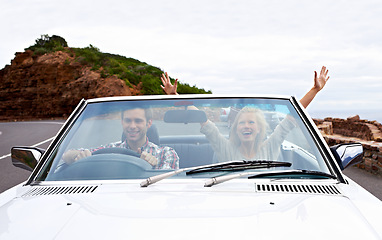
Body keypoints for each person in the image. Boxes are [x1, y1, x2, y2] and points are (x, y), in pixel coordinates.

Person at [160, 67, 330, 161]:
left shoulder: (271, 145)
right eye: (241, 123)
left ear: (259, 129)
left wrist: (315, 90)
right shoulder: (224, 147)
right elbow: (203, 120)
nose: (246, 126)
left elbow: (292, 117)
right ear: (235, 128)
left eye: (251, 122)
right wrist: (175, 97)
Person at [62, 107, 179, 169]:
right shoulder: (110, 150)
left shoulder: (166, 153)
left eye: (138, 121)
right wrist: (79, 156)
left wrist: (151, 167)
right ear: (122, 122)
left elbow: (167, 187)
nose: (132, 126)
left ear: (149, 123)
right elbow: (66, 155)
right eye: (128, 120)